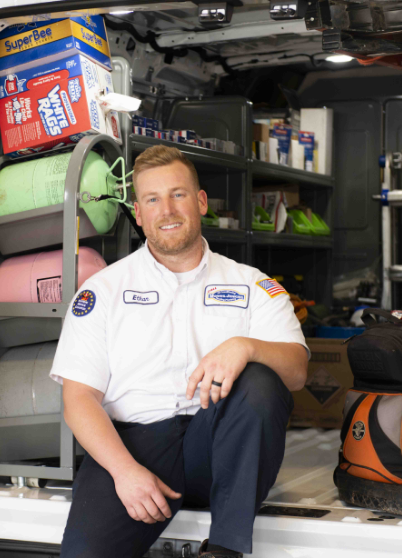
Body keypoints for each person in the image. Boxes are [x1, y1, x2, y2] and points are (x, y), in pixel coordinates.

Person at [49, 145, 309, 558]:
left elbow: (296, 372)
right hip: (133, 448)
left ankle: (224, 548)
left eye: (178, 194)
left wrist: (246, 346)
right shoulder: (103, 290)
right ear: (138, 212)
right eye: (152, 199)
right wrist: (125, 472)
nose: (166, 210)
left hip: (217, 447)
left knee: (261, 378)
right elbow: (78, 398)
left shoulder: (252, 285)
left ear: (201, 201)